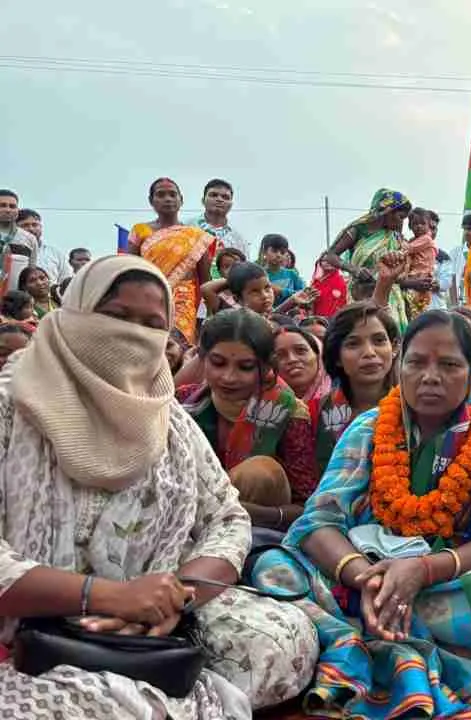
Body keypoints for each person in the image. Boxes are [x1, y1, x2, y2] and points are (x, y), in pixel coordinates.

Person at [0, 255, 316, 717]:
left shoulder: (168, 419)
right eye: (116, 317)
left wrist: (176, 595)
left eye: (151, 324)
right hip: (26, 620)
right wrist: (103, 595)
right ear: (71, 316)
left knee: (284, 640)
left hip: (157, 617)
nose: (132, 336)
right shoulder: (13, 404)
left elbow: (227, 518)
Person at [250, 309, 471, 718]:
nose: (430, 377)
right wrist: (366, 577)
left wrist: (421, 572)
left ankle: (367, 624)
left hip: (449, 575)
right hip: (359, 573)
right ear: (400, 364)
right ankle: (379, 619)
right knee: (272, 567)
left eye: (448, 365)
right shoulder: (369, 427)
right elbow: (318, 521)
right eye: (417, 363)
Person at [177, 308, 317, 531]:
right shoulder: (183, 402)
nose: (228, 377)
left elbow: (306, 506)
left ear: (266, 367)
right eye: (218, 363)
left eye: (245, 367)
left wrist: (245, 511)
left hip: (257, 529)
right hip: (182, 517)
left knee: (260, 472)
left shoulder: (289, 413)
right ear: (203, 360)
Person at [312, 301, 399, 472]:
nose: (369, 352)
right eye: (353, 344)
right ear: (337, 357)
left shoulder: (416, 409)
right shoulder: (315, 412)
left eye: (379, 341)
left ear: (394, 347)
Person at [129, 178, 216, 344]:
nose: (167, 199)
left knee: (178, 346)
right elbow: (130, 270)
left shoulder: (196, 236)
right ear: (151, 201)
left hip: (184, 301)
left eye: (172, 194)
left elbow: (206, 281)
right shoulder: (140, 230)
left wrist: (213, 315)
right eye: (161, 195)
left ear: (181, 200)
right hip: (149, 297)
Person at [326, 188, 418, 325]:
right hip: (362, 292)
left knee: (390, 331)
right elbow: (330, 256)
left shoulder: (395, 236)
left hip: (390, 294)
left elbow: (400, 272)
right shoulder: (358, 230)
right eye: (400, 217)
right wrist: (355, 270)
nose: (401, 223)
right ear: (386, 211)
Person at [189, 178, 248, 259]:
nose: (219, 199)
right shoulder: (187, 227)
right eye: (213, 195)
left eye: (225, 197)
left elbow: (244, 268)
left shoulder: (238, 239)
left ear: (231, 205)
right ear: (203, 200)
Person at [274, 324, 331, 402]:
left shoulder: (343, 400)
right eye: (280, 355)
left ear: (318, 356)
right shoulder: (264, 407)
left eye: (301, 350)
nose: (292, 359)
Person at [14, 209, 69, 284]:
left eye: (35, 225)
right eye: (25, 225)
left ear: (41, 227)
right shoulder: (9, 251)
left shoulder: (55, 254)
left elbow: (65, 280)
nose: (31, 229)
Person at [0, 190, 38, 292]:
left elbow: (30, 273)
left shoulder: (30, 239)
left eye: (12, 206)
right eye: (2, 205)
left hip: (15, 301)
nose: (8, 210)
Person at [259, 233, 306, 306]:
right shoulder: (259, 275)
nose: (278, 255)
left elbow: (304, 294)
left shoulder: (291, 274)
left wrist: (281, 291)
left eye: (282, 252)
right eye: (274, 251)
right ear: (264, 252)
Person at [450, 212, 471, 307]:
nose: (466, 232)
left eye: (470, 229)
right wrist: (454, 304)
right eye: (465, 229)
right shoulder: (456, 252)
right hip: (461, 302)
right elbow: (452, 279)